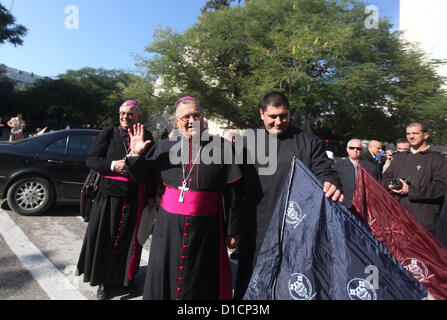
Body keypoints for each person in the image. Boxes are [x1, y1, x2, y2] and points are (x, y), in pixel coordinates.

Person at [127, 96, 243, 300]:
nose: (191, 120)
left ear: (203, 117)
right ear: (176, 121)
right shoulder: (164, 147)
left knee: (201, 281)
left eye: (196, 115)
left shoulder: (222, 148)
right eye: (186, 116)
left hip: (207, 229)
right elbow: (143, 179)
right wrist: (135, 156)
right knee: (166, 273)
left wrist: (232, 230)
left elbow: (233, 194)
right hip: (168, 228)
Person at [234, 92, 343, 299]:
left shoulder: (309, 142)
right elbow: (233, 184)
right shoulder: (246, 142)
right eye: (272, 116)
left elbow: (325, 172)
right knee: (250, 285)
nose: (278, 122)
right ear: (261, 114)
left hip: (296, 229)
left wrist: (332, 184)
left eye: (283, 116)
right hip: (255, 228)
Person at [76, 100, 154, 300]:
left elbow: (152, 170)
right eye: (122, 113)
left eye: (130, 113)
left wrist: (153, 196)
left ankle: (127, 279)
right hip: (108, 197)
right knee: (107, 240)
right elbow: (91, 160)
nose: (125, 117)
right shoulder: (109, 133)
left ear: (138, 115)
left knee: (130, 243)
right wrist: (112, 165)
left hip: (135, 197)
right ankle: (104, 282)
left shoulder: (148, 136)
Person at [382, 122, 447, 236]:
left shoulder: (438, 160)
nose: (411, 136)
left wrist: (410, 190)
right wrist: (391, 185)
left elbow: (440, 189)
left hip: (423, 223)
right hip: (397, 220)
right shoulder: (399, 157)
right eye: (408, 134)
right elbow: (385, 178)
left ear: (426, 135)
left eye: (415, 133)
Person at [334, 139, 380, 209]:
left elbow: (376, 188)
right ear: (347, 149)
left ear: (362, 151)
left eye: (358, 148)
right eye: (352, 148)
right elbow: (335, 184)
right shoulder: (338, 166)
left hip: (364, 206)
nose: (355, 150)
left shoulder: (371, 167)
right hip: (344, 205)